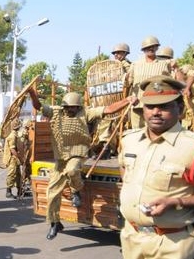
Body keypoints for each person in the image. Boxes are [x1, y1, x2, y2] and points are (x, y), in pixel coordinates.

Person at [118, 75, 194, 259]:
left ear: (181, 109)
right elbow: (125, 172)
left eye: (165, 106)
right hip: (131, 237)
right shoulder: (130, 140)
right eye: (150, 106)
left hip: (172, 242)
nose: (155, 112)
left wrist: (177, 202)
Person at [28, 89, 135, 240]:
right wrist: (32, 93)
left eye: (73, 107)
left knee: (72, 170)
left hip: (78, 153)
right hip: (61, 157)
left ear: (78, 107)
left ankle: (75, 189)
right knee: (51, 193)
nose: (70, 109)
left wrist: (127, 100)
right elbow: (38, 105)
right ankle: (55, 223)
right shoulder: (55, 113)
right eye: (67, 107)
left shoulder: (86, 113)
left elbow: (109, 109)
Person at [127, 36, 174, 129]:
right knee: (137, 133)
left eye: (153, 46)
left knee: (155, 131)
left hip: (157, 105)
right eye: (147, 47)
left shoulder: (165, 63)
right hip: (138, 104)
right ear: (143, 49)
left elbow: (172, 82)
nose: (150, 49)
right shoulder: (135, 64)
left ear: (157, 47)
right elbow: (128, 84)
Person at [3, 119, 22, 199]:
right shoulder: (12, 136)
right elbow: (12, 149)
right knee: (11, 174)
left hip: (15, 158)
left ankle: (19, 191)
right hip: (12, 159)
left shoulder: (15, 134)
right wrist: (19, 157)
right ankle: (8, 191)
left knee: (18, 175)